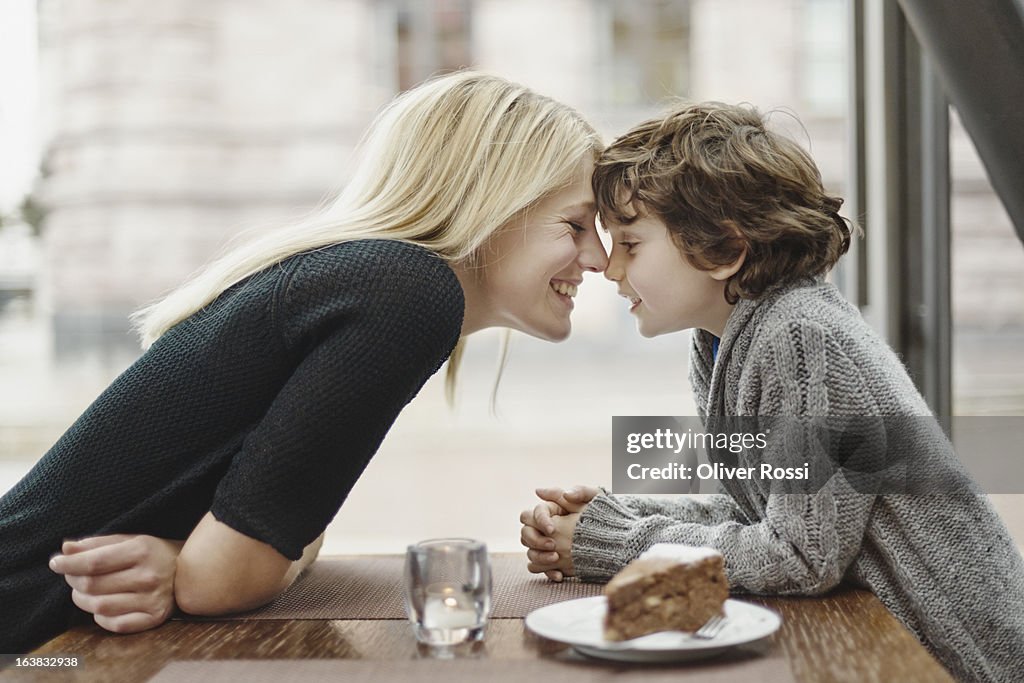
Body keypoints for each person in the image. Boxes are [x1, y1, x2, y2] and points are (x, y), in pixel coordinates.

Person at [0, 70, 608, 654]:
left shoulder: (372, 279)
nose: (600, 259)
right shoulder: (406, 293)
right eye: (577, 225)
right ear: (493, 205)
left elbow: (284, 537)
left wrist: (206, 558)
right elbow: (225, 582)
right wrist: (211, 563)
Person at [519, 102, 1024, 682]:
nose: (610, 269)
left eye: (631, 244)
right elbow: (763, 510)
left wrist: (616, 543)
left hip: (959, 663)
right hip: (884, 642)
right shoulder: (726, 339)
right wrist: (618, 515)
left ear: (726, 250)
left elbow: (800, 556)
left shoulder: (801, 340)